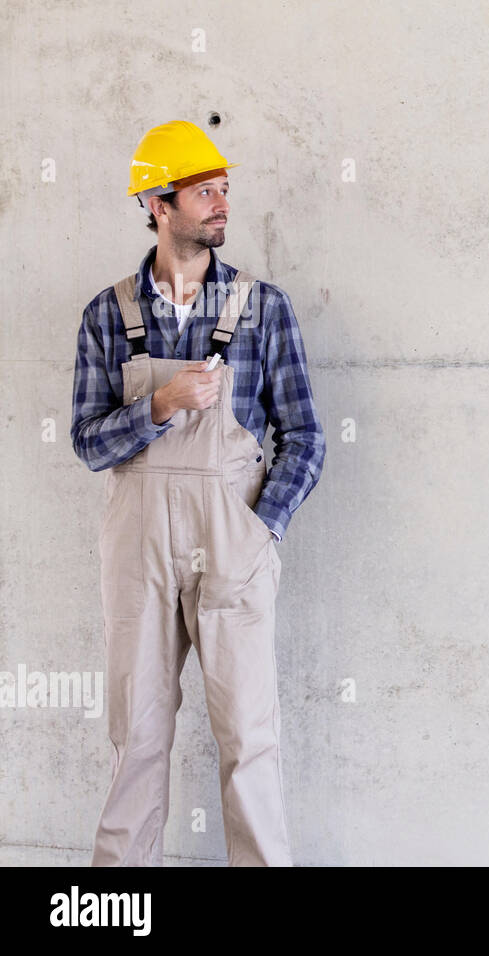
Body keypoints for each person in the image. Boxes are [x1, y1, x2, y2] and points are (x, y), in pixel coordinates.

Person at [70, 119, 326, 866]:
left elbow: (305, 438)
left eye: (224, 190)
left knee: (249, 736)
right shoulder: (107, 315)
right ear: (157, 202)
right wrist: (159, 405)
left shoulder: (262, 308)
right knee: (137, 735)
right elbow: (88, 443)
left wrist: (259, 529)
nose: (220, 203)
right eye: (203, 190)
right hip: (138, 548)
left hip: (233, 543)